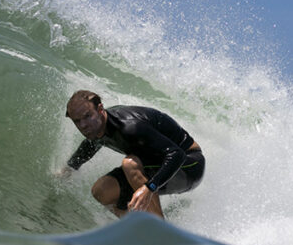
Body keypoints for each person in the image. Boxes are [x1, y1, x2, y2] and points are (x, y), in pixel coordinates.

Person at [58, 90, 205, 219]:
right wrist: (68, 169)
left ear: (100, 109)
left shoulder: (130, 127)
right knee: (101, 191)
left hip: (189, 165)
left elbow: (177, 154)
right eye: (77, 121)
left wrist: (149, 188)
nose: (83, 125)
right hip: (160, 165)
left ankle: (159, 229)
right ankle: (137, 228)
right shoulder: (97, 127)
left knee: (130, 164)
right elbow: (89, 146)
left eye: (87, 116)